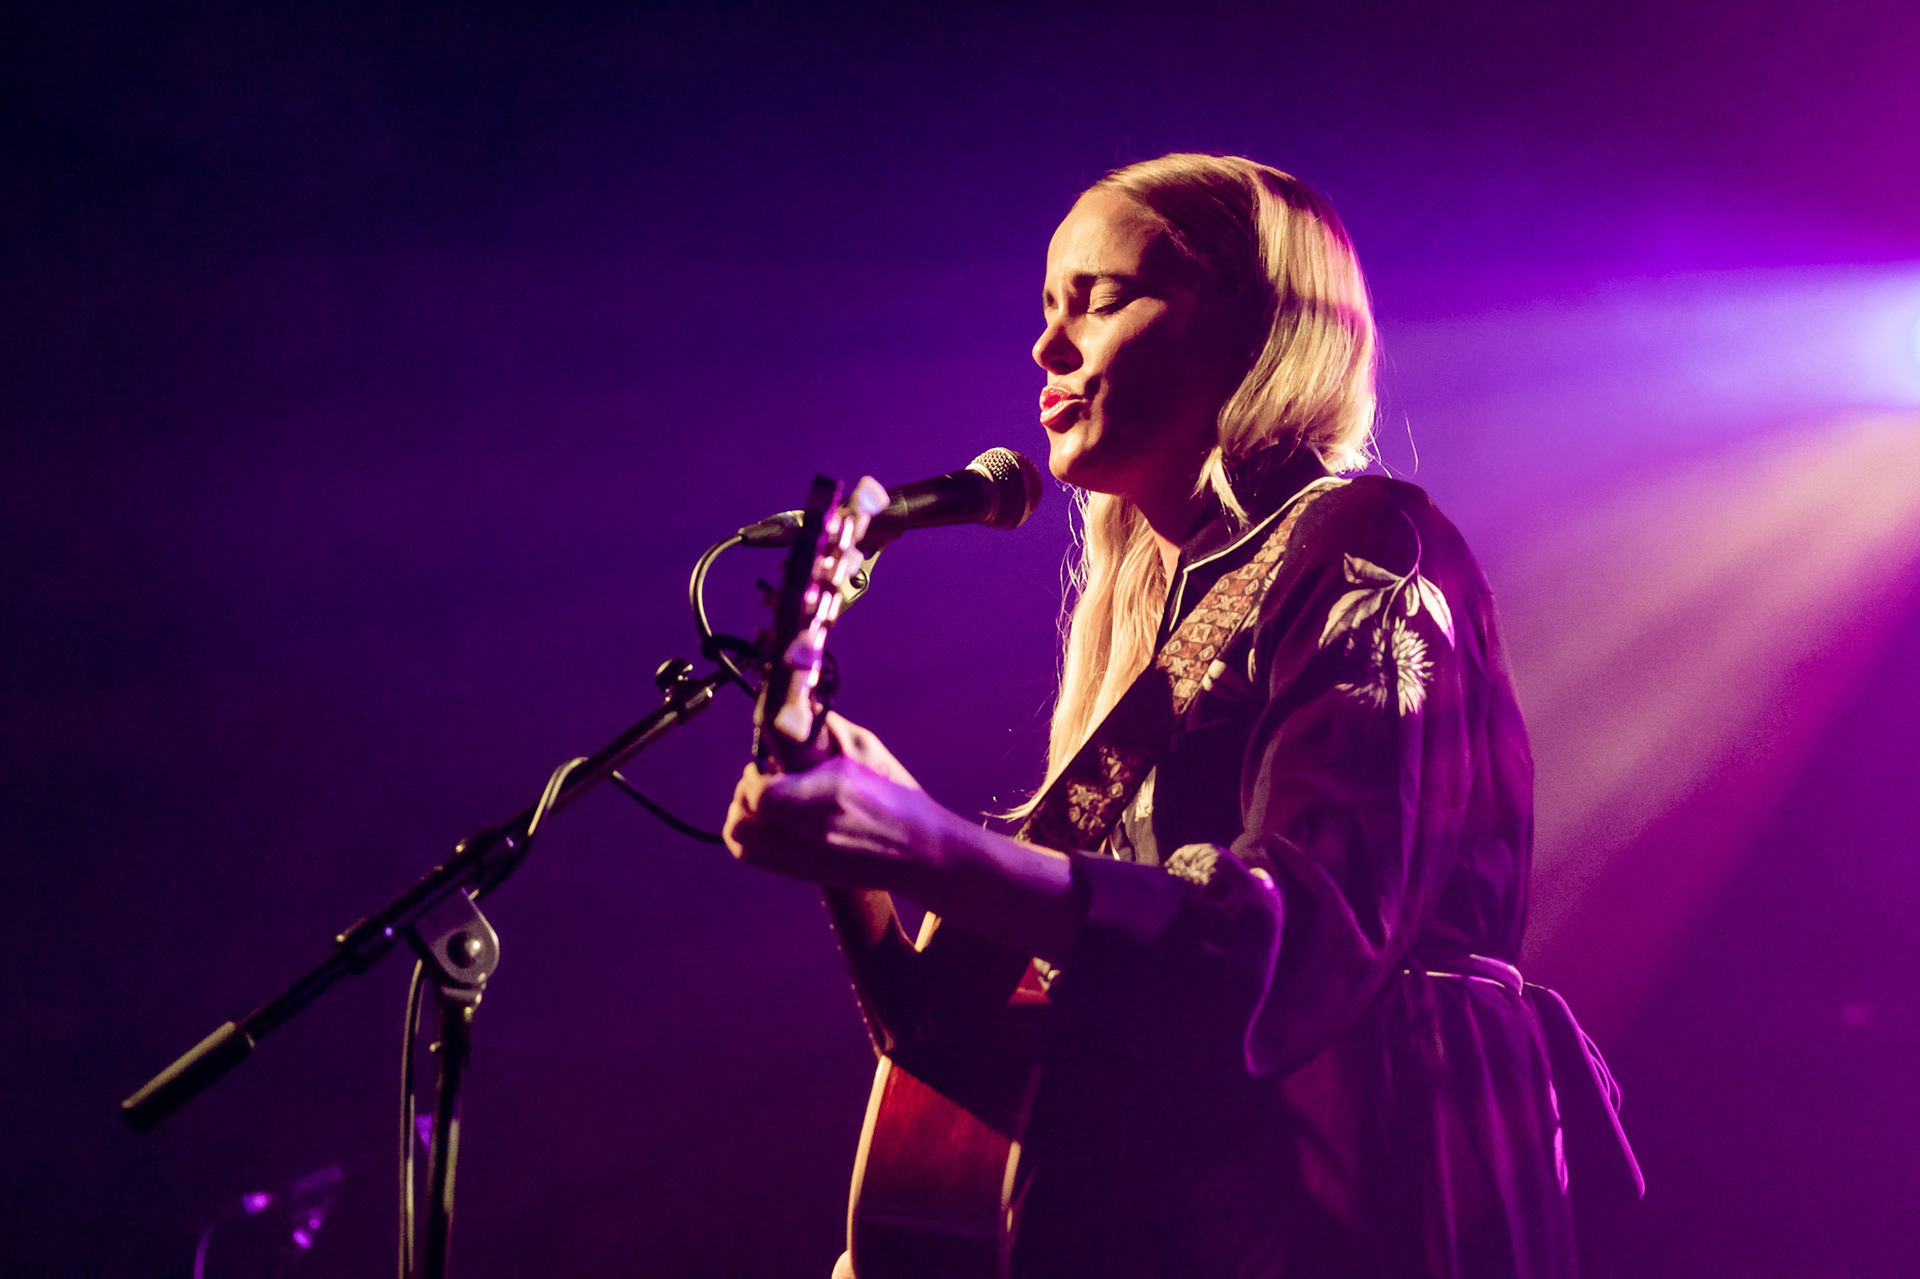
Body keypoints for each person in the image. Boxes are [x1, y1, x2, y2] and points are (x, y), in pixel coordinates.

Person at [725, 153, 1596, 1278]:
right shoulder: (1172, 632)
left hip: (1331, 1223)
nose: (1047, 349)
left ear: (1256, 328)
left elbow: (1284, 942)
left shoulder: (1369, 543)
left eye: (1101, 298)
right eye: (1047, 308)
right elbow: (943, 1030)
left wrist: (927, 844)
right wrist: (863, 838)